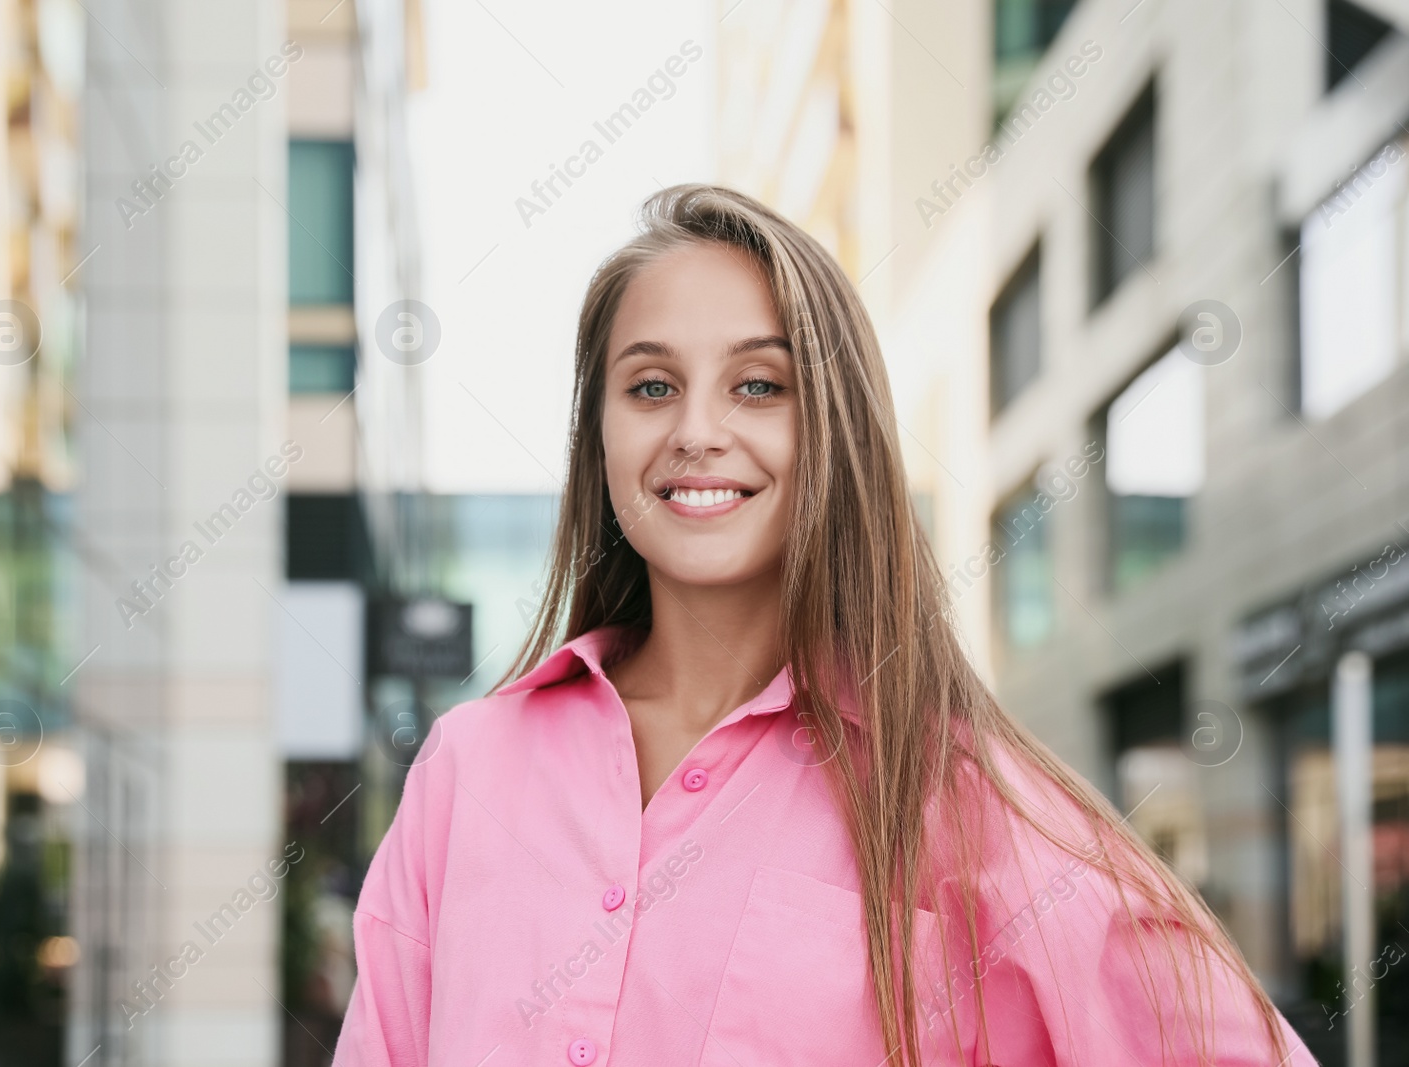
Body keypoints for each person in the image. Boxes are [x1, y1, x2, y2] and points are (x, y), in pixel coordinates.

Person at [331, 185, 1317, 1066]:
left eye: (759, 384)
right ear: (600, 432)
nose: (696, 430)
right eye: (649, 385)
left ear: (832, 427)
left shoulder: (950, 793)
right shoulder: (469, 767)